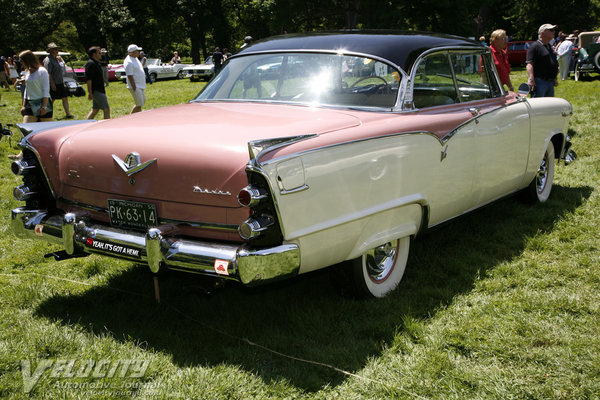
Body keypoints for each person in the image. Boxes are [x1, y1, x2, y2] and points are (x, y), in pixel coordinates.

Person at [19, 50, 53, 123]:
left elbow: (46, 90)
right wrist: (23, 105)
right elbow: (27, 89)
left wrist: (44, 107)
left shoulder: (42, 71)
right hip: (30, 103)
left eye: (21, 60)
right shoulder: (27, 71)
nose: (20, 62)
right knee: (27, 129)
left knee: (46, 131)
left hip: (43, 102)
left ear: (28, 60)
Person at [526, 24, 559, 97]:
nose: (553, 31)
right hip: (539, 82)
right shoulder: (535, 47)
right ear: (542, 33)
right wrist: (531, 79)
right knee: (538, 105)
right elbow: (529, 64)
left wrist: (554, 78)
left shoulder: (549, 47)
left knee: (548, 106)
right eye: (551, 30)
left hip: (550, 82)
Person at [43, 42, 74, 118]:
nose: (57, 50)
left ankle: (68, 114)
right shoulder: (48, 60)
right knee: (51, 100)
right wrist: (52, 84)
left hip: (60, 82)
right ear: (50, 50)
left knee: (64, 98)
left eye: (57, 49)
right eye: (55, 49)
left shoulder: (56, 59)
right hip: (53, 83)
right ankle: (45, 114)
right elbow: (48, 73)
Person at [84, 46, 110, 119]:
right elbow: (89, 79)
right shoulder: (90, 64)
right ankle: (107, 126)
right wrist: (90, 92)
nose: (101, 54)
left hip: (100, 89)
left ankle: (86, 124)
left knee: (95, 109)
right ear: (94, 54)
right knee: (106, 109)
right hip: (96, 90)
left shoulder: (97, 63)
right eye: (99, 53)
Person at [123, 44, 146, 113]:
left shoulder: (135, 59)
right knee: (139, 104)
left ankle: (135, 117)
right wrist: (134, 87)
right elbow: (130, 75)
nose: (139, 52)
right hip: (136, 86)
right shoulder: (128, 62)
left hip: (140, 85)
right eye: (137, 51)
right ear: (133, 52)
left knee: (140, 103)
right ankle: (133, 118)